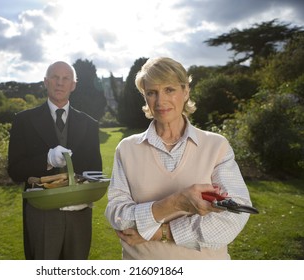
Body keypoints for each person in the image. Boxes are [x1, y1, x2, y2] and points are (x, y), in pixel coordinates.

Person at [105, 57, 252, 260]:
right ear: (145, 97)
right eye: (151, 92)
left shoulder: (216, 146)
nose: (160, 101)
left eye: (169, 90)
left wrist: (161, 233)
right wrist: (174, 203)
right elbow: (118, 215)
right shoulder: (127, 149)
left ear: (185, 91)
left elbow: (235, 214)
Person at [8, 61, 102, 260]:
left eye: (66, 78)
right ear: (45, 82)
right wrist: (47, 159)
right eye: (55, 77)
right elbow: (15, 171)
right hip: (41, 213)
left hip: (79, 213)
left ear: (73, 85)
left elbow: (96, 171)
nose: (60, 83)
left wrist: (84, 195)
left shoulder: (89, 124)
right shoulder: (23, 121)